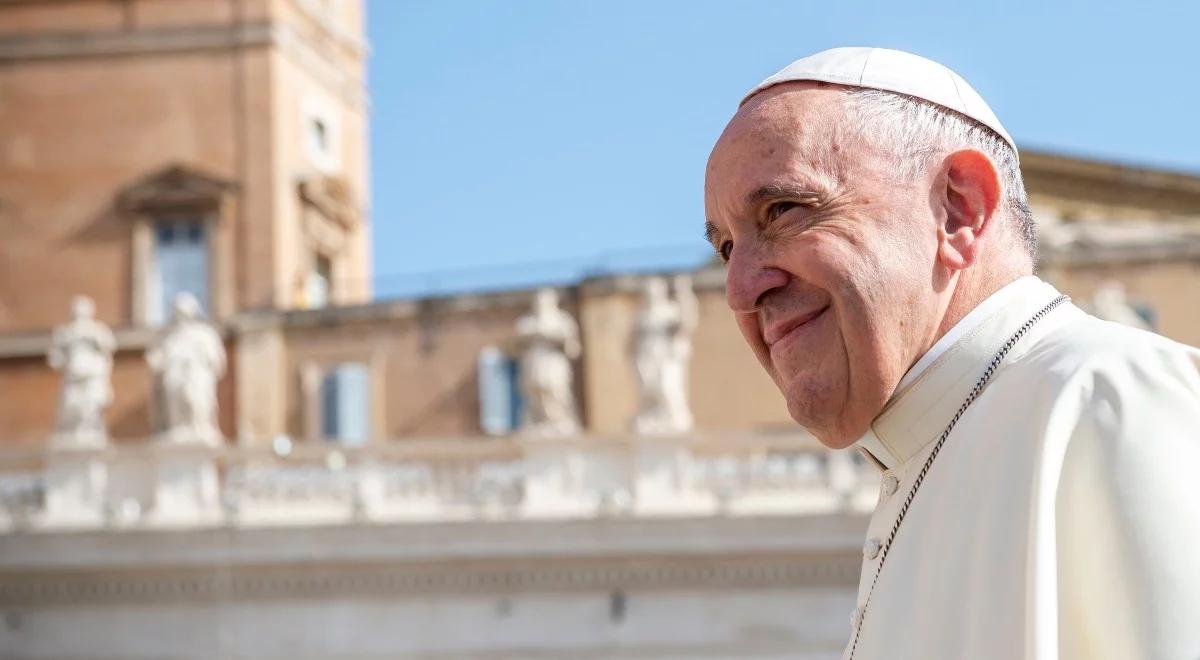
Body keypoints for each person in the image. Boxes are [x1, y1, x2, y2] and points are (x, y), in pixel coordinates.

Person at [703, 47, 1200, 660]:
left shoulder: (1112, 397)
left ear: (959, 209)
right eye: (726, 246)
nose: (740, 289)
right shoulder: (919, 454)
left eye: (783, 211)